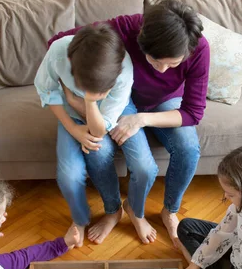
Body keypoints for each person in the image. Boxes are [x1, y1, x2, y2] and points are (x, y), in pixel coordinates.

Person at [49, 0, 209, 246]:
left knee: (189, 149)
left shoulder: (198, 48)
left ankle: (169, 210)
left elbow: (193, 112)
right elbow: (58, 42)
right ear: (142, 38)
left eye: (173, 64)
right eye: (156, 61)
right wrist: (72, 92)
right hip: (124, 99)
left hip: (165, 103)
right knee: (109, 153)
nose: (163, 70)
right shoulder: (125, 28)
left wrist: (141, 120)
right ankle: (120, 210)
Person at [35, 23, 158, 246]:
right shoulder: (58, 52)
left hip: (114, 109)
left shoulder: (123, 71)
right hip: (71, 113)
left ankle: (134, 211)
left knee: (145, 167)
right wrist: (73, 128)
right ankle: (90, 217)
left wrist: (89, 100)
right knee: (69, 176)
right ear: (72, 65)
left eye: (102, 89)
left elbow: (99, 128)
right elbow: (48, 90)